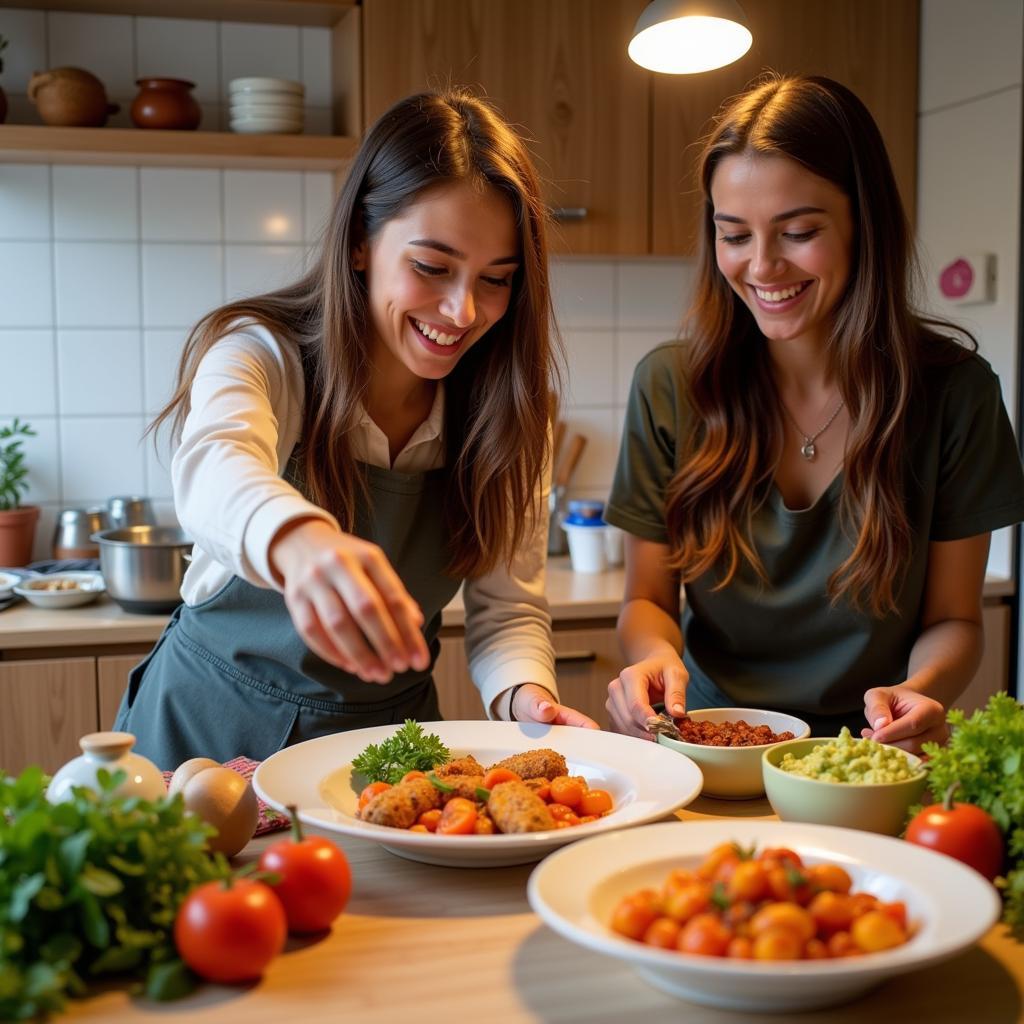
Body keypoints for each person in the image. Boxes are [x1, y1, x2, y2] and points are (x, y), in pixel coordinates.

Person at [115, 89, 598, 770]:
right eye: (432, 267)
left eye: (496, 279)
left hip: (383, 753)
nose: (463, 310)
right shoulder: (261, 355)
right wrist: (300, 540)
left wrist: (528, 701)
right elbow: (215, 466)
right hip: (204, 737)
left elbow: (508, 611)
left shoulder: (507, 418)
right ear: (361, 244)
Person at [604, 74, 1024, 755]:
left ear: (865, 222)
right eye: (733, 234)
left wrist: (926, 689)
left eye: (797, 232)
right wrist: (652, 657)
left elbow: (955, 619)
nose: (762, 266)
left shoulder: (955, 395)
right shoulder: (671, 386)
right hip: (710, 743)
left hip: (871, 752)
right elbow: (646, 599)